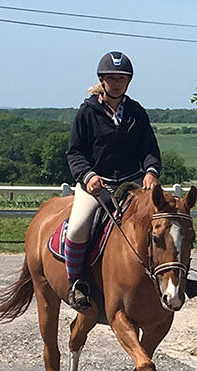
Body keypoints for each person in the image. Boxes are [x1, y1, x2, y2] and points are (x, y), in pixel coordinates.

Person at [64, 51, 162, 310]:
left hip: (131, 184)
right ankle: (77, 284)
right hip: (96, 184)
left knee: (166, 223)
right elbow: (75, 151)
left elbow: (149, 149)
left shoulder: (136, 112)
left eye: (121, 78)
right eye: (111, 78)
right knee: (78, 228)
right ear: (102, 80)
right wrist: (88, 175)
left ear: (128, 81)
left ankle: (172, 279)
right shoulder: (87, 112)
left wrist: (151, 170)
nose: (116, 83)